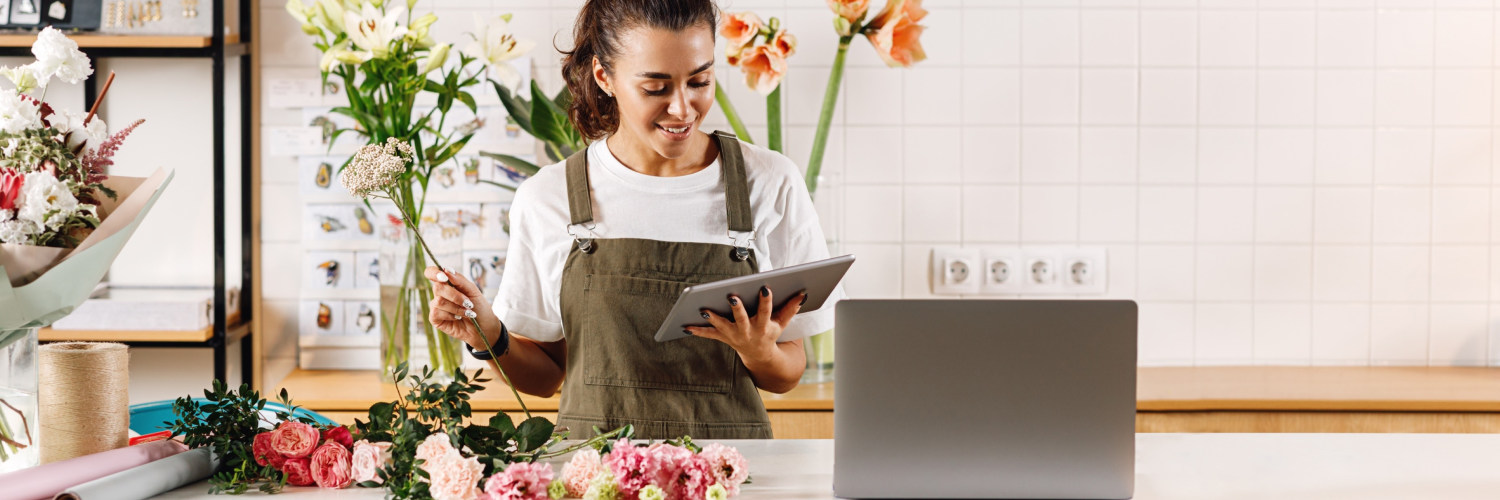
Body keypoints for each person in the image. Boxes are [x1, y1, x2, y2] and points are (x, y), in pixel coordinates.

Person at [423, 0, 840, 439]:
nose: (683, 109)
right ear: (605, 77)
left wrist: (759, 352)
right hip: (596, 477)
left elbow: (788, 373)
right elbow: (546, 379)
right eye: (656, 88)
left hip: (729, 475)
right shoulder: (548, 197)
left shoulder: (770, 183)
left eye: (700, 80)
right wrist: (487, 333)